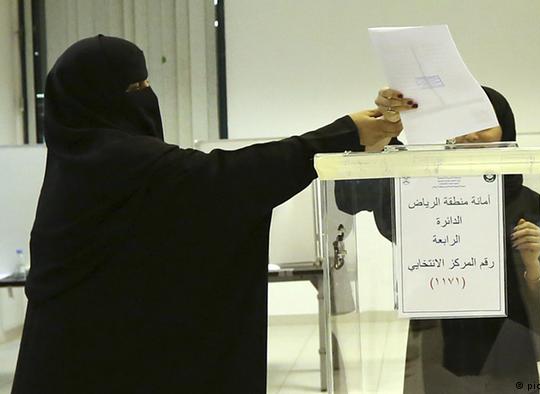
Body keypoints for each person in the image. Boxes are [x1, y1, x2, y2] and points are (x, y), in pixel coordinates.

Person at [11, 35, 416, 394]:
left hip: (85, 349)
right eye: (135, 87)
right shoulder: (116, 158)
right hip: (85, 362)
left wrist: (358, 136)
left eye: (147, 83)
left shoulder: (79, 157)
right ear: (98, 98)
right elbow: (224, 180)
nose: (147, 94)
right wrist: (343, 133)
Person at [336, 87, 540, 393]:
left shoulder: (530, 203)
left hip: (509, 339)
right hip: (440, 333)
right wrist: (385, 130)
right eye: (459, 125)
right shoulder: (426, 195)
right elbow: (357, 196)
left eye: (483, 125)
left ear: (506, 129)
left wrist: (532, 262)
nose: (471, 136)